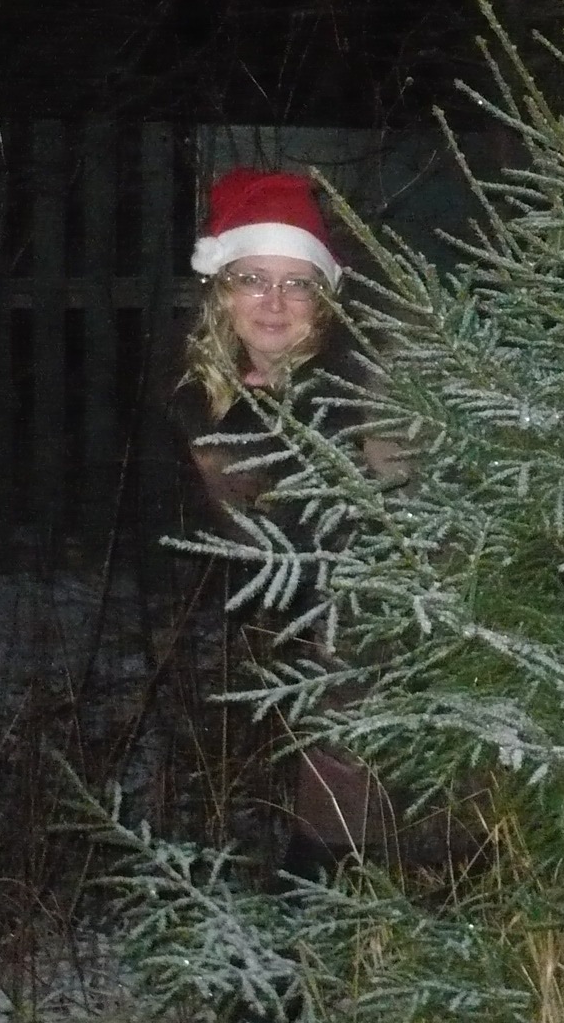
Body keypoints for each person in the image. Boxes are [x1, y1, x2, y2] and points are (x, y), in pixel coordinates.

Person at [170, 166, 401, 873]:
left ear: (323, 300)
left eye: (297, 283)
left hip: (376, 658)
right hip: (294, 662)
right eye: (253, 280)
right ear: (222, 292)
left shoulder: (368, 394)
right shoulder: (205, 402)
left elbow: (407, 545)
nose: (274, 302)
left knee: (350, 844)